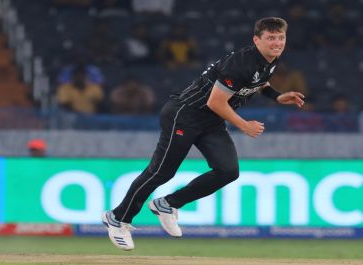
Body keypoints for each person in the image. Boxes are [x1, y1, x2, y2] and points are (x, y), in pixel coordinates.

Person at [102, 17, 305, 251]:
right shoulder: (239, 63)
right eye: (271, 38)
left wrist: (278, 97)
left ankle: (167, 204)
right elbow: (216, 102)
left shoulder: (270, 60)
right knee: (161, 172)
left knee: (228, 171)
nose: (277, 42)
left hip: (210, 121)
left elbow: (259, 82)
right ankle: (118, 218)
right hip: (185, 114)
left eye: (281, 37)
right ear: (256, 40)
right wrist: (243, 125)